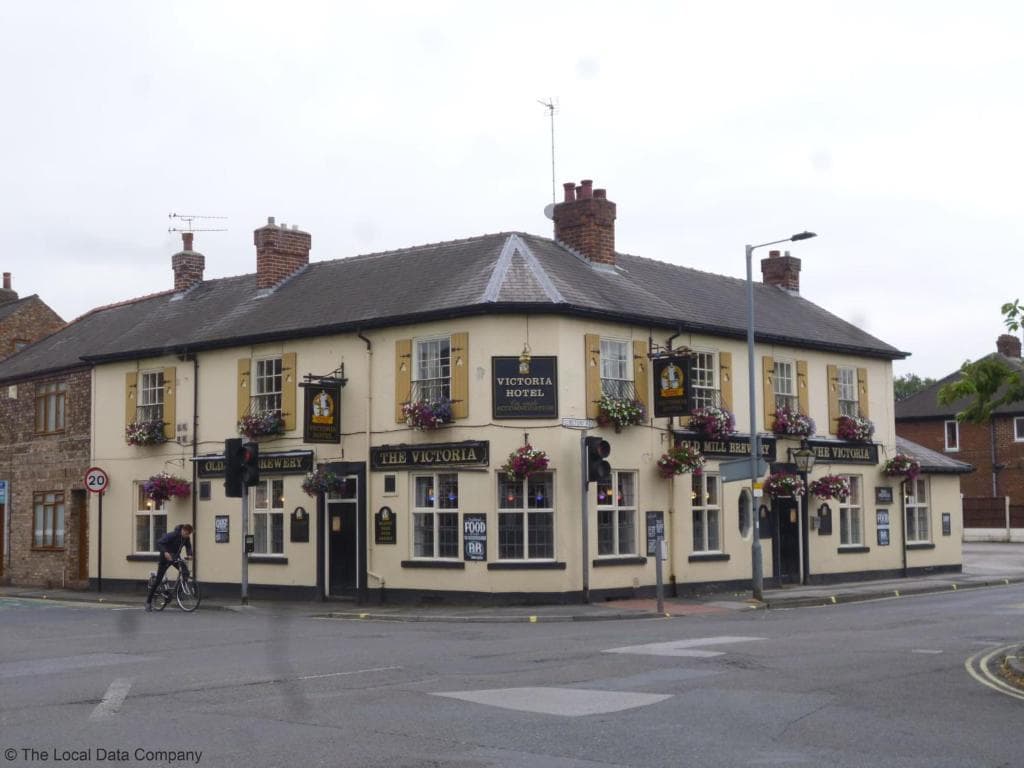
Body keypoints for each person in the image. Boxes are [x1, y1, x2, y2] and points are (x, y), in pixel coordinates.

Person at [145, 523, 194, 611]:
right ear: (183, 530)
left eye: (188, 535)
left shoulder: (186, 538)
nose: (187, 536)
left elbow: (188, 546)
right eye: (186, 534)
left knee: (185, 572)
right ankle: (148, 602)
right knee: (158, 580)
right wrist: (165, 552)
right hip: (165, 558)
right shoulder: (173, 535)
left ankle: (179, 593)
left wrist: (190, 554)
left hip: (175, 557)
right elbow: (159, 542)